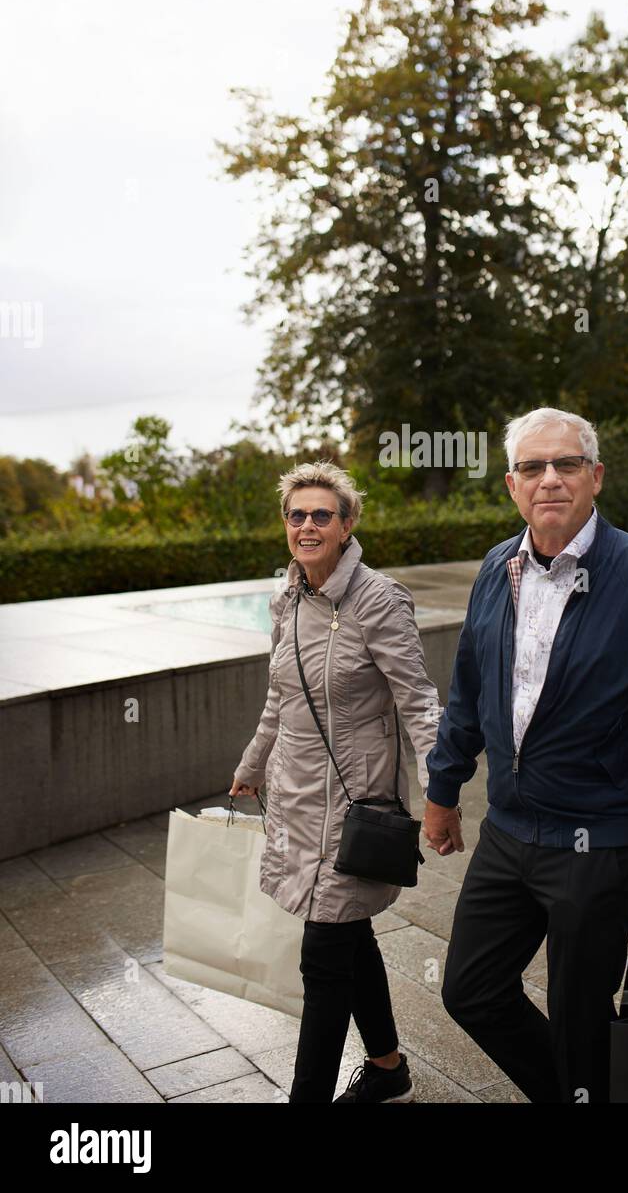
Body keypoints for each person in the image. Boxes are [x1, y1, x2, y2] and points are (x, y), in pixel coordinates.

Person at [421, 406, 628, 1104]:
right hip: (508, 831)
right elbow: (468, 691)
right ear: (511, 485)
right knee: (469, 990)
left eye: (565, 465)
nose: (548, 479)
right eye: (532, 467)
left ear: (595, 477)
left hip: (600, 841)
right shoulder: (498, 568)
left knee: (581, 1022)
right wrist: (443, 791)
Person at [230, 460, 441, 1103]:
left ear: (347, 525)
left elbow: (420, 702)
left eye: (323, 514)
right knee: (350, 938)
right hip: (296, 800)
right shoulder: (286, 599)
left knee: (323, 960)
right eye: (297, 515)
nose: (308, 524)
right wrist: (252, 763)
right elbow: (280, 696)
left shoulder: (379, 599)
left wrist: (441, 793)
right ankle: (387, 1070)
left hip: (354, 807)